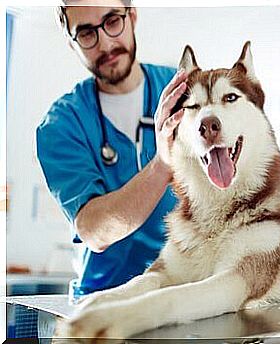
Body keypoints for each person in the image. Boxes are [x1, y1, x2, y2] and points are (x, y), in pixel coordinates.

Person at [36, 0, 188, 301]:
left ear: (132, 16)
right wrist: (162, 163)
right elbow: (94, 231)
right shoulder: (63, 123)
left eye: (112, 21)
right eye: (87, 33)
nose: (105, 43)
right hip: (104, 301)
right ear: (73, 44)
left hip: (182, 293)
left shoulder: (181, 92)